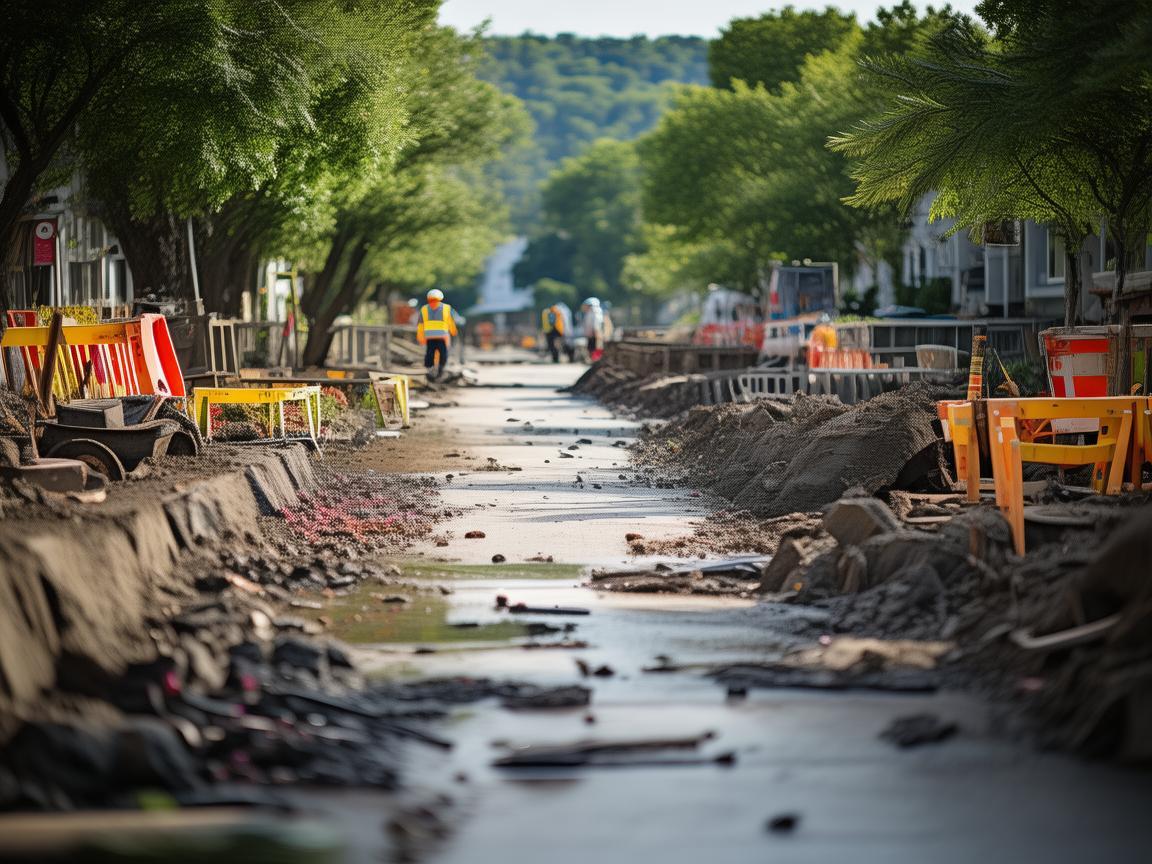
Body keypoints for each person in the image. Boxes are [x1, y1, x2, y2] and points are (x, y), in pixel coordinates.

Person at [416, 289, 457, 380]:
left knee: (430, 354)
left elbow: (420, 325)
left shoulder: (424, 309)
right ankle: (440, 371)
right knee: (443, 354)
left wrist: (420, 337)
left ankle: (430, 371)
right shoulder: (447, 308)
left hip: (430, 337)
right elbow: (451, 322)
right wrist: (454, 332)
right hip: (442, 337)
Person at [580, 297, 604, 361]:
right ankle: (592, 359)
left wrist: (595, 332)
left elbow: (596, 324)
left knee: (593, 348)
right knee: (590, 348)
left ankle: (594, 360)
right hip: (591, 334)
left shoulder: (594, 311)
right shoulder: (590, 312)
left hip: (593, 334)